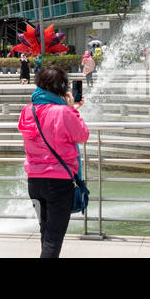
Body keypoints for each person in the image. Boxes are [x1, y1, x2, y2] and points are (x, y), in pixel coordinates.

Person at [17, 65, 89, 259]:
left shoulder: (28, 110)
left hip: (34, 181)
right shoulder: (63, 112)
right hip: (58, 182)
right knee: (54, 238)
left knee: (46, 232)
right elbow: (82, 135)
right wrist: (73, 110)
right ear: (61, 87)